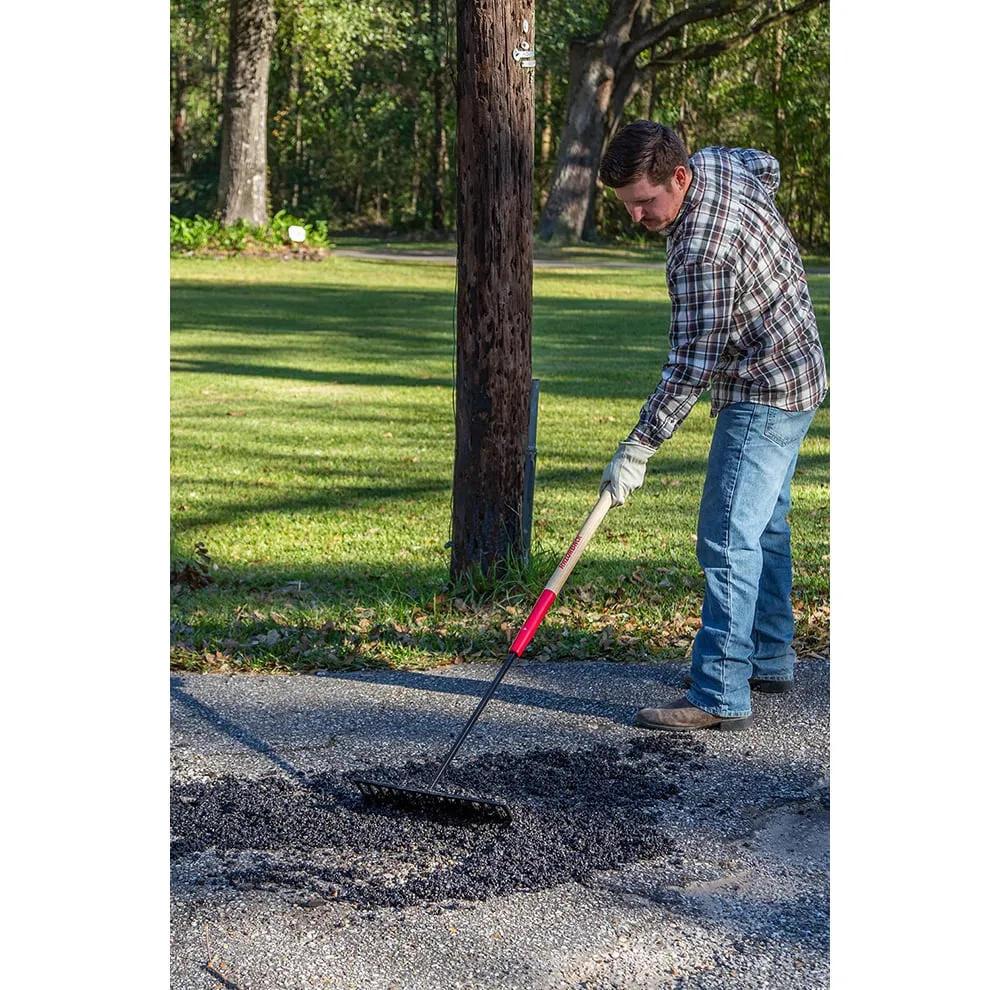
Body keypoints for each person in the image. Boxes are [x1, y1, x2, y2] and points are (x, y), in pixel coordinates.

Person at [597, 120, 827, 732]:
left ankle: (720, 692)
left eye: (645, 202)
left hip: (764, 387)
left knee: (727, 538)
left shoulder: (702, 249)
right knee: (765, 525)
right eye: (627, 205)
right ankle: (769, 658)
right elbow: (767, 162)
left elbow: (692, 365)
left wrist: (639, 445)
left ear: (678, 177)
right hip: (801, 372)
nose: (637, 218)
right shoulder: (717, 163)